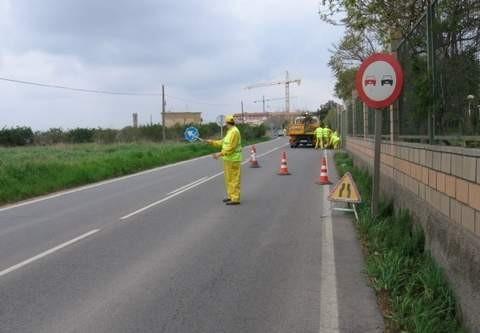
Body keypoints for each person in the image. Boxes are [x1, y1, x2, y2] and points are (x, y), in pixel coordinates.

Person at [206, 115, 243, 205]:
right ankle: (231, 196)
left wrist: (219, 154)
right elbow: (223, 142)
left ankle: (235, 198)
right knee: (229, 179)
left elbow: (231, 147)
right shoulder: (230, 131)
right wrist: (212, 142)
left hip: (233, 159)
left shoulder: (234, 132)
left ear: (226, 123)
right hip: (228, 159)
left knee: (234, 179)